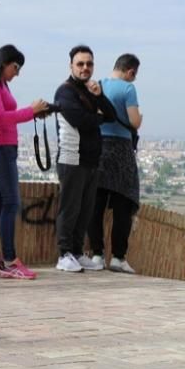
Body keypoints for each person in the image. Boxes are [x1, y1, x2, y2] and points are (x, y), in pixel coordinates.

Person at [0, 45, 49, 279]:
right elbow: (0, 117)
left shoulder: (1, 85)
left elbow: (7, 115)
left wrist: (34, 112)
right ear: (5, 63)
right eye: (15, 67)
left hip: (3, 149)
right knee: (11, 203)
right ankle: (9, 260)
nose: (17, 73)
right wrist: (31, 111)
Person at [53, 46, 116, 273]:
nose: (85, 68)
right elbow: (80, 120)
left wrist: (99, 97)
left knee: (85, 210)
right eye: (80, 64)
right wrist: (96, 117)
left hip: (90, 160)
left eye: (89, 64)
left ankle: (77, 252)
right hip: (72, 158)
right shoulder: (65, 92)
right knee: (69, 209)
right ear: (71, 66)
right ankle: (64, 254)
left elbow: (112, 116)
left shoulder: (91, 91)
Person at [87, 54, 142, 274]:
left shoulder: (97, 85)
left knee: (96, 205)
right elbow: (134, 121)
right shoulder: (128, 89)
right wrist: (140, 119)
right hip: (120, 150)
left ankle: (97, 255)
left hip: (99, 148)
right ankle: (118, 257)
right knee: (123, 204)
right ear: (131, 71)